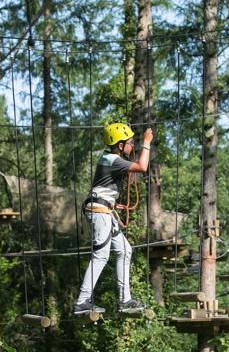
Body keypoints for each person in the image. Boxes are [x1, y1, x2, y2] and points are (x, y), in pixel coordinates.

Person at [73, 123, 153, 314]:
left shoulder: (109, 159)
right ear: (120, 145)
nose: (132, 146)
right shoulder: (113, 160)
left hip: (104, 210)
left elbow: (103, 186)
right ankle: (82, 302)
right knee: (101, 255)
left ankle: (125, 300)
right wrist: (147, 143)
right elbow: (142, 166)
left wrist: (111, 202)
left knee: (125, 250)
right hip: (100, 213)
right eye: (131, 143)